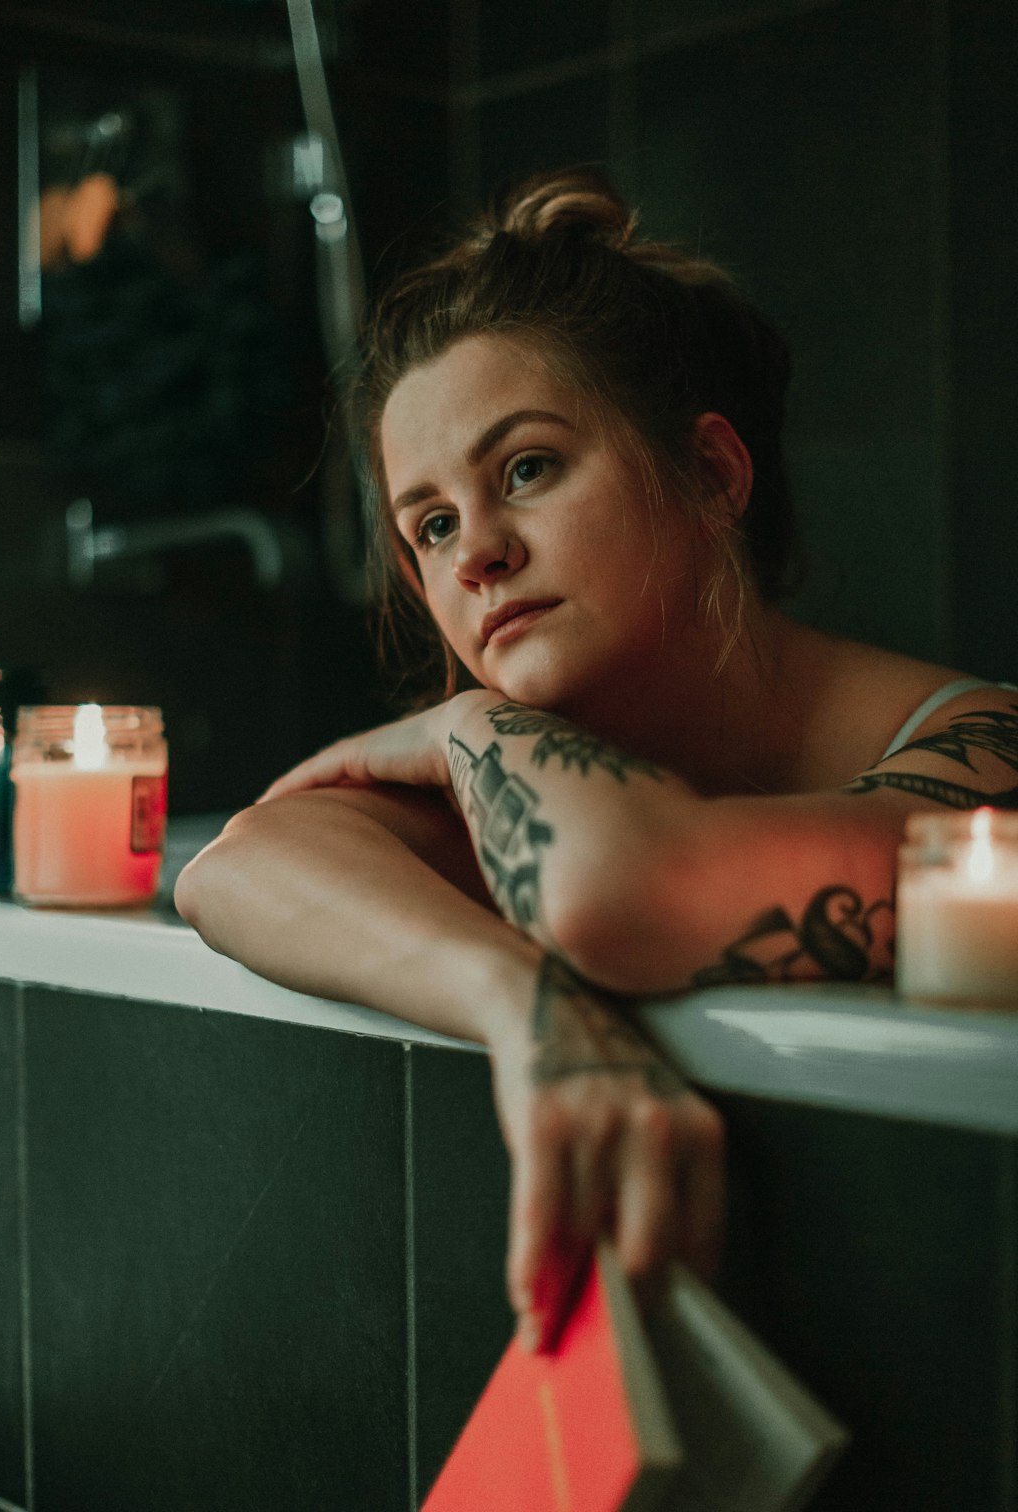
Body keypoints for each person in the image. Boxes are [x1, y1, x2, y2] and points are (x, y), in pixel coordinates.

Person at [175, 168, 1018, 1354]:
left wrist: (460, 723)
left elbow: (616, 892)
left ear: (715, 473)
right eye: (430, 525)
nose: (476, 554)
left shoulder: (983, 746)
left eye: (525, 468)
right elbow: (233, 868)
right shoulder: (548, 772)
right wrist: (519, 1009)